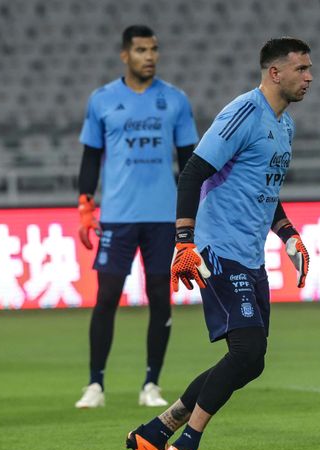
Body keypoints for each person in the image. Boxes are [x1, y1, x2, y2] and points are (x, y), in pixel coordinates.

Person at [125, 37, 313, 450]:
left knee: (251, 360)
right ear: (275, 73)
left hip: (248, 253)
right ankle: (185, 448)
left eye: (309, 68)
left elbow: (264, 188)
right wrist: (184, 243)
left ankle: (155, 432)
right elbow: (193, 171)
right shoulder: (242, 114)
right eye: (301, 69)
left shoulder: (284, 126)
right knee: (247, 352)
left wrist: (288, 236)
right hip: (216, 250)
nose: (309, 77)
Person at [74, 25, 199, 409]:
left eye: (155, 49)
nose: (150, 56)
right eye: (142, 50)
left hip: (163, 216)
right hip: (118, 216)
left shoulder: (175, 101)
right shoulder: (103, 100)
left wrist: (191, 214)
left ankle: (151, 384)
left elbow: (191, 163)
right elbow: (91, 156)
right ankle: (95, 384)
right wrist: (85, 205)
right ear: (125, 55)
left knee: (160, 297)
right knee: (107, 296)